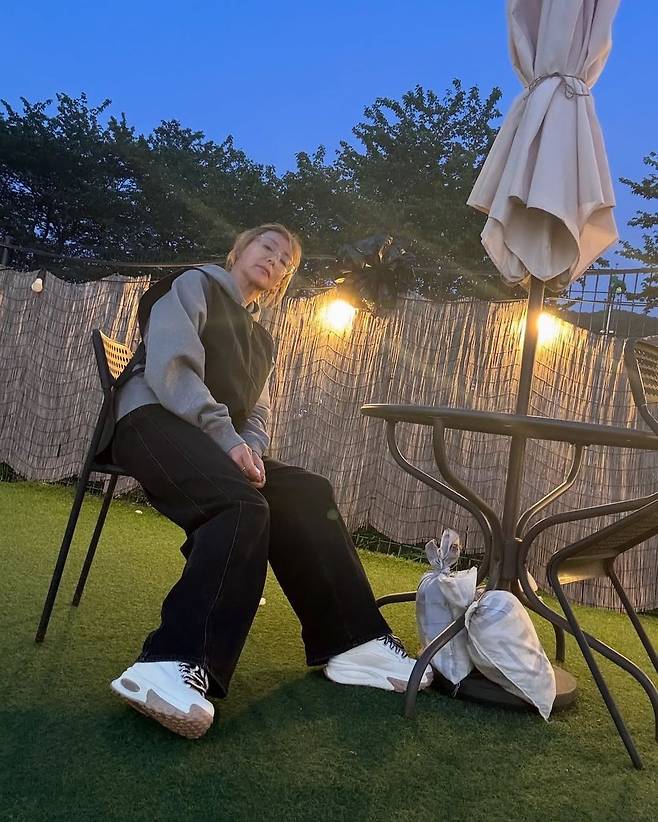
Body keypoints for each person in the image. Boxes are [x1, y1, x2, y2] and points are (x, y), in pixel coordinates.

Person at [109, 223, 432, 738]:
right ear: (239, 250)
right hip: (150, 419)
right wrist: (227, 440)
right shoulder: (193, 284)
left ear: (282, 281)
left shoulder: (261, 340)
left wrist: (250, 449)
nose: (276, 261)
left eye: (286, 262)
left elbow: (257, 412)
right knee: (240, 505)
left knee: (307, 492)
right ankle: (171, 662)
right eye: (268, 248)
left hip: (214, 441)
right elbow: (173, 367)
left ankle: (352, 642)